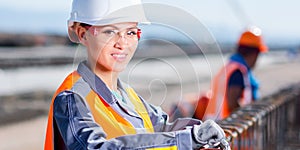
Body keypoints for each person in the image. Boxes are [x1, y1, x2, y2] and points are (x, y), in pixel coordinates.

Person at [44, 0, 230, 149]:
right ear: (83, 34)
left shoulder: (129, 97)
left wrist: (200, 131)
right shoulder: (71, 99)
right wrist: (186, 140)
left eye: (131, 32)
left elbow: (161, 127)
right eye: (110, 32)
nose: (122, 43)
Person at [203, 26, 268, 121]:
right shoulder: (238, 72)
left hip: (215, 124)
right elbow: (232, 103)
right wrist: (250, 116)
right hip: (226, 128)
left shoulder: (229, 66)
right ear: (254, 53)